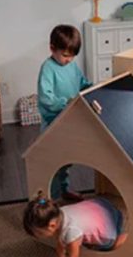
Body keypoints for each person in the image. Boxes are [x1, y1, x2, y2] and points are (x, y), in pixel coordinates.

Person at [23, 192, 128, 257]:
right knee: (69, 236)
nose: (38, 236)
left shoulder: (70, 232)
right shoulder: (58, 213)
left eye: (39, 233)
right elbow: (59, 242)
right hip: (102, 205)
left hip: (109, 225)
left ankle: (123, 235)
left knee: (110, 245)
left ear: (52, 226)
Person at [37, 24, 92, 201]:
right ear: (52, 48)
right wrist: (66, 102)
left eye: (72, 55)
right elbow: (46, 98)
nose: (69, 59)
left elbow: (82, 83)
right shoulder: (48, 68)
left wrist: (92, 88)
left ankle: (64, 189)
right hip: (54, 122)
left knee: (66, 159)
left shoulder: (72, 66)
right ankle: (51, 198)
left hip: (70, 119)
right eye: (65, 55)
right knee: (53, 161)